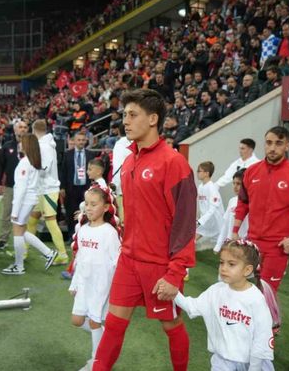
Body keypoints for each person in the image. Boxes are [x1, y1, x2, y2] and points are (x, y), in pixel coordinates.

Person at [92, 89, 197, 371]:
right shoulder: (127, 162)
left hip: (160, 265)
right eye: (124, 115)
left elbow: (185, 224)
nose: (125, 121)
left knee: (171, 325)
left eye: (132, 115)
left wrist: (175, 273)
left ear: (153, 119)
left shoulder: (173, 162)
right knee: (113, 324)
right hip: (129, 260)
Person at [234, 126, 289, 292]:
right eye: (269, 143)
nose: (272, 148)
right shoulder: (251, 172)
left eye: (278, 143)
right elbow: (243, 203)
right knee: (245, 291)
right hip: (252, 243)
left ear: (287, 146)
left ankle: (270, 318)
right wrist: (235, 231)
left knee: (265, 293)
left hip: (277, 247)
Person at [174, 239, 275, 371]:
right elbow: (192, 307)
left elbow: (262, 339)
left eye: (231, 264)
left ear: (247, 270)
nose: (223, 268)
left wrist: (254, 368)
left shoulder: (256, 299)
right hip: (222, 363)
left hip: (253, 363)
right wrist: (173, 292)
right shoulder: (216, 291)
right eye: (222, 262)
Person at [69, 186, 121, 371]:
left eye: (94, 204)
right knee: (77, 320)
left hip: (101, 285)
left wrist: (116, 288)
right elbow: (80, 258)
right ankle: (103, 336)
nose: (89, 208)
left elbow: (117, 262)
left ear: (106, 207)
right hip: (84, 283)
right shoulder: (82, 230)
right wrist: (75, 283)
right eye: (87, 204)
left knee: (94, 321)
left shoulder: (109, 232)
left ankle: (95, 362)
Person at [2, 134, 58, 275]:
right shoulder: (32, 161)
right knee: (22, 231)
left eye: (22, 142)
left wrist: (14, 211)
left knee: (18, 232)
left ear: (27, 146)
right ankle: (48, 253)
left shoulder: (25, 163)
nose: (20, 144)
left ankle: (19, 266)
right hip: (30, 199)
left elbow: (20, 189)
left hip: (25, 200)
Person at [26, 120, 68, 265]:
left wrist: (31, 170)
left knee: (50, 222)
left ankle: (62, 255)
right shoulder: (44, 145)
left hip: (48, 190)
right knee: (31, 220)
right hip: (42, 189)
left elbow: (45, 168)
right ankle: (24, 251)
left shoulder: (45, 146)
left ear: (33, 129)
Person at [0, 121, 28, 250]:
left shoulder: (32, 147)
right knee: (7, 214)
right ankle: (3, 239)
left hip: (27, 188)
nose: (23, 129)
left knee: (26, 214)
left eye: (25, 127)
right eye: (20, 127)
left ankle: (24, 239)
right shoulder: (7, 146)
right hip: (10, 186)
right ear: (15, 130)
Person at [60, 131, 96, 241]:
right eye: (78, 140)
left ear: (86, 141)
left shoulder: (91, 154)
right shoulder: (67, 154)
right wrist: (62, 187)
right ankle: (72, 236)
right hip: (71, 188)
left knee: (87, 212)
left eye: (83, 140)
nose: (81, 142)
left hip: (86, 188)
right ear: (74, 141)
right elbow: (63, 171)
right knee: (71, 213)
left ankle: (85, 236)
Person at [215, 169, 249, 253]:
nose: (235, 187)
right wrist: (219, 245)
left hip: (245, 245)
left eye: (238, 184)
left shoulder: (253, 202)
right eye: (233, 183)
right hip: (231, 243)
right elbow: (225, 224)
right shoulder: (232, 201)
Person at [196, 161, 224, 243]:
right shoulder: (200, 187)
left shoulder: (212, 188)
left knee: (222, 246)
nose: (197, 173)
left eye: (199, 171)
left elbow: (213, 209)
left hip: (215, 222)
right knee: (192, 238)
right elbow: (202, 205)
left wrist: (201, 221)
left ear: (206, 173)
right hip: (206, 221)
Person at [110, 132, 131, 225]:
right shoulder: (121, 144)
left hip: (127, 189)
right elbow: (118, 167)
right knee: (124, 222)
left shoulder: (119, 144)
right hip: (123, 190)